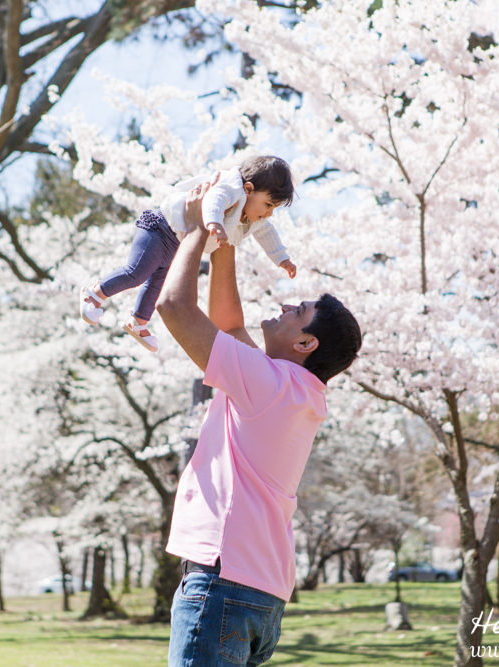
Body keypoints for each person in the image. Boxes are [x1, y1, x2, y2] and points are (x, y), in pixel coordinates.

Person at [155, 182, 362, 666]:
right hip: (260, 592)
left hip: (223, 581)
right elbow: (227, 327)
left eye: (301, 311)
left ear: (307, 343)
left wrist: (194, 229)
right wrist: (225, 235)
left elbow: (172, 307)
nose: (289, 306)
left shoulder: (269, 385)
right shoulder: (295, 392)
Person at [80, 156, 298, 352]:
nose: (268, 213)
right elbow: (215, 199)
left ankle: (139, 322)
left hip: (177, 245)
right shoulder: (232, 189)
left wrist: (282, 258)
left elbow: (268, 233)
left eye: (273, 209)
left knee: (157, 285)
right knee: (137, 273)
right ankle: (94, 293)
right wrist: (214, 222)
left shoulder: (252, 217)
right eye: (268, 205)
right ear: (248, 189)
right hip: (160, 228)